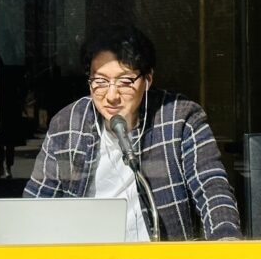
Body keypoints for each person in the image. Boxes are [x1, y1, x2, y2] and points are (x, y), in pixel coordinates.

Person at [24, 25, 241, 241]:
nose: (111, 95)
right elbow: (36, 206)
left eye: (125, 82)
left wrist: (226, 241)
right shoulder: (66, 125)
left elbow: (212, 187)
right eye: (100, 81)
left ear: (147, 80)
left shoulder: (180, 119)